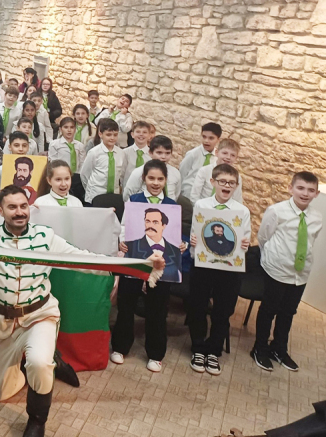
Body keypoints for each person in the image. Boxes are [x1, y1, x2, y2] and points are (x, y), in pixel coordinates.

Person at [0, 185, 165, 437]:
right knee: (0, 394)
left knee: (39, 364)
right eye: (12, 207)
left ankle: (37, 419)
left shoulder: (45, 236)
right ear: (0, 210)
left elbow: (82, 259)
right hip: (1, 322)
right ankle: (51, 359)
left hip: (40, 316)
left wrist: (140, 265)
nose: (19, 212)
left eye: (23, 206)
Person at [112, 160, 183, 373]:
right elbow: (124, 226)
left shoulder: (171, 204)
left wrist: (180, 244)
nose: (155, 183)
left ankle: (155, 353)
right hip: (134, 259)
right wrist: (122, 241)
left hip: (162, 264)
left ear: (166, 180)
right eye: (151, 178)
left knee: (158, 309)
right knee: (126, 305)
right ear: (144, 178)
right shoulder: (134, 200)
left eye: (160, 179)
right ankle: (120, 347)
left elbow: (174, 235)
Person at [251, 171, 323, 372]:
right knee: (269, 309)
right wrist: (272, 258)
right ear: (290, 188)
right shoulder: (277, 211)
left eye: (310, 190)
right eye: (300, 188)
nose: (305, 193)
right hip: (277, 269)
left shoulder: (317, 217)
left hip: (300, 272)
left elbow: (310, 241)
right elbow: (264, 236)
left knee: (288, 312)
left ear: (316, 194)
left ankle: (279, 348)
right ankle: (260, 348)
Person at [187, 163, 251, 375]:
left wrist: (245, 244)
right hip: (203, 266)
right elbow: (196, 232)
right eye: (223, 181)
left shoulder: (242, 211)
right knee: (197, 306)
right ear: (213, 182)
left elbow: (245, 238)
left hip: (229, 270)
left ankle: (214, 350)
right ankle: (198, 347)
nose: (227, 186)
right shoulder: (201, 205)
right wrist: (193, 241)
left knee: (223, 311)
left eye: (231, 183)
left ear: (236, 186)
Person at [122, 135, 182, 201]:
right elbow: (128, 195)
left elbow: (176, 193)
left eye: (167, 153)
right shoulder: (139, 171)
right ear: (150, 153)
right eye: (159, 153)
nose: (163, 157)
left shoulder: (175, 173)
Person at [80, 118, 125, 204]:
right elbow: (85, 174)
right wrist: (90, 189)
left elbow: (121, 175)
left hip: (113, 195)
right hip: (95, 194)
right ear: (100, 134)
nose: (112, 138)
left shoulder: (121, 153)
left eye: (115, 135)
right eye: (108, 135)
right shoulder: (94, 152)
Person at [190, 138, 243, 204]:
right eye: (225, 153)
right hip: (203, 207)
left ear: (236, 158)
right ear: (216, 153)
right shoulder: (204, 171)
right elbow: (194, 196)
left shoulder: (237, 177)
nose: (228, 157)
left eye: (233, 155)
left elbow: (237, 199)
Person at [179, 122, 222, 198]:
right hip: (188, 195)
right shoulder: (192, 154)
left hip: (206, 197)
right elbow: (181, 174)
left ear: (218, 140)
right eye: (204, 137)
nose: (206, 141)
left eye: (211, 138)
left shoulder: (218, 157)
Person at [0, 131, 31, 207]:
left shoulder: (37, 169)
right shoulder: (0, 170)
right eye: (16, 145)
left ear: (28, 147)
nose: (20, 149)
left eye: (24, 145)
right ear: (10, 147)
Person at [121, 120, 152, 186]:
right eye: (138, 132)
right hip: (128, 187)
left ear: (149, 136)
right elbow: (122, 173)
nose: (141, 134)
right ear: (132, 135)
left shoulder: (152, 154)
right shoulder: (125, 153)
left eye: (144, 132)